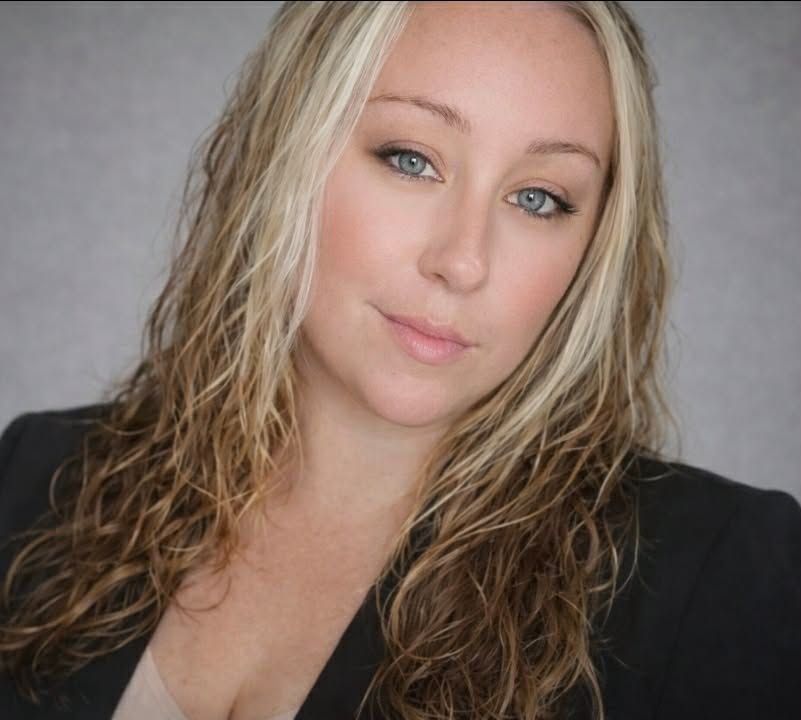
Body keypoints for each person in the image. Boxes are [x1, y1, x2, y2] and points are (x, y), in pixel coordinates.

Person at [1, 1, 799, 719]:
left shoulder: (727, 577)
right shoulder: (35, 478)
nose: (462, 261)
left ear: (592, 250)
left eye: (538, 198)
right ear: (289, 157)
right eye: (411, 158)